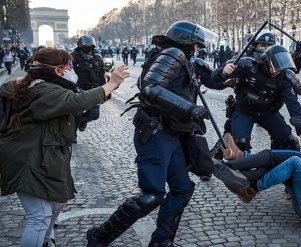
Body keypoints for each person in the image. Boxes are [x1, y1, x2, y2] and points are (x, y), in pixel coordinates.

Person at [86, 20, 218, 247]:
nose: (198, 50)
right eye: (196, 45)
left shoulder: (180, 57)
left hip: (173, 133)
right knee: (152, 195)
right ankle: (99, 237)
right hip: (157, 133)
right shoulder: (173, 53)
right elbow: (151, 88)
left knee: (182, 189)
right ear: (187, 41)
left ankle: (161, 241)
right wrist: (190, 108)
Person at [0, 47, 129, 247]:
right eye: (69, 65)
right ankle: (41, 239)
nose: (72, 68)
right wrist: (111, 83)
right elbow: (77, 101)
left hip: (43, 156)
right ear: (58, 70)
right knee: (39, 216)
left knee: (57, 203)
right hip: (28, 159)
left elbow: (80, 96)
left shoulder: (47, 85)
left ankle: (45, 240)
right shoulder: (43, 90)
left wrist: (110, 87)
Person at [207, 40, 301, 160]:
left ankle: (277, 164)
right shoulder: (248, 66)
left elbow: (293, 104)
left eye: (279, 67)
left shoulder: (284, 77)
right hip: (244, 110)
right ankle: (231, 163)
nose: (276, 71)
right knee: (240, 142)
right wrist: (223, 72)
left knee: (288, 141)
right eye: (273, 66)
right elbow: (213, 80)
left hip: (268, 112)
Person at [71, 35, 107, 143]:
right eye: (86, 45)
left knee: (94, 114)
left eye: (90, 45)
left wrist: (104, 88)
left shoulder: (97, 58)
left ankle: (83, 122)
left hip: (93, 88)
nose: (88, 47)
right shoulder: (73, 57)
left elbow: (101, 74)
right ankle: (73, 133)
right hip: (78, 89)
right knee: (77, 114)